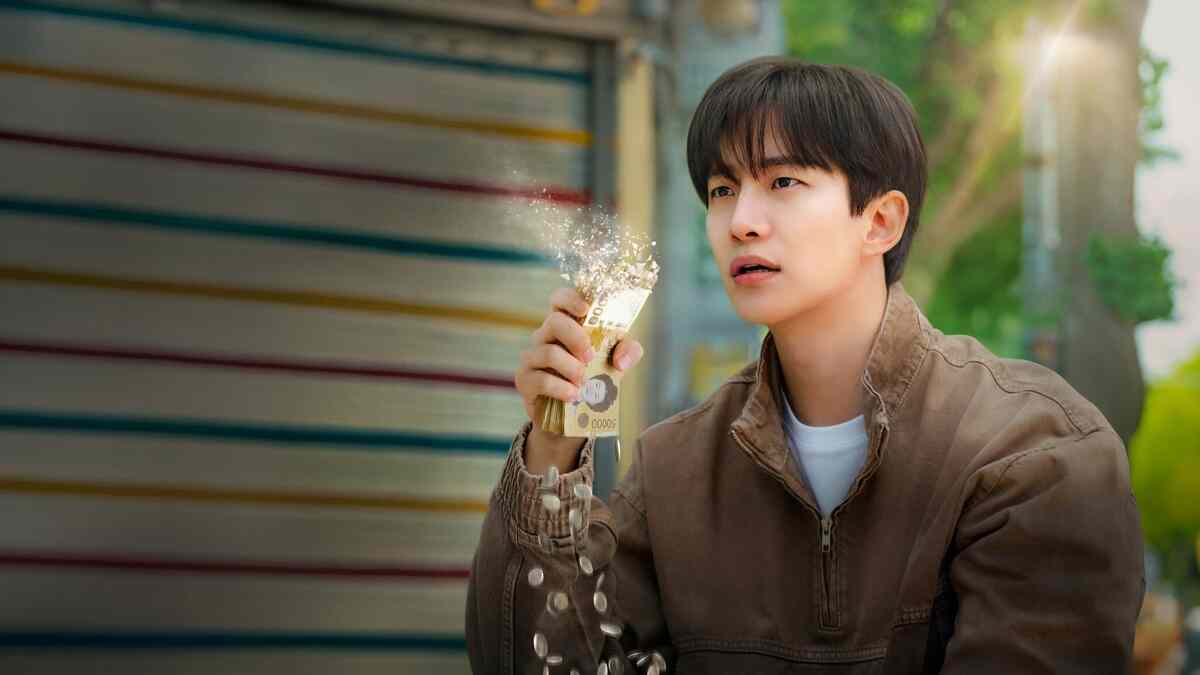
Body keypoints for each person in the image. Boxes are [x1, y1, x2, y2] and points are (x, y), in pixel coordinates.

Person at [465, 57, 1144, 674]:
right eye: (722, 188)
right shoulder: (675, 470)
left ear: (880, 222)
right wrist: (554, 445)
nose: (741, 220)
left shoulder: (1031, 448)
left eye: (783, 181)